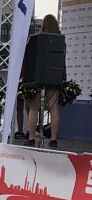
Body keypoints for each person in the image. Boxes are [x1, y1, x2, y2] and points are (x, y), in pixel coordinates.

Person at [26, 14, 65, 148]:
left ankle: (31, 137)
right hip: (54, 75)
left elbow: (30, 57)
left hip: (38, 74)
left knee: (33, 108)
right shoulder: (61, 41)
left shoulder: (38, 40)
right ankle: (53, 139)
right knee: (54, 108)